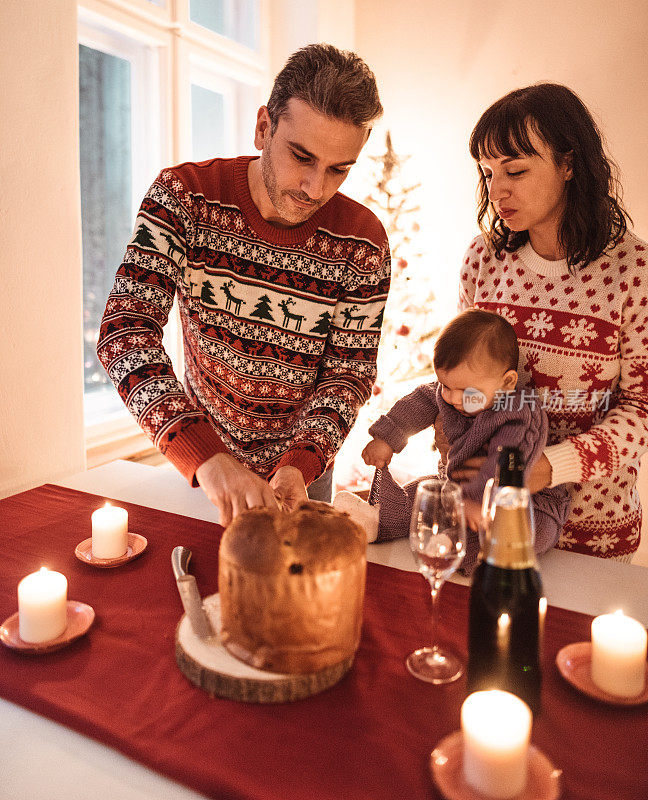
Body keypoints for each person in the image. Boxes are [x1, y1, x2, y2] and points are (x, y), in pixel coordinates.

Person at [97, 44, 391, 525]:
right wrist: (206, 459)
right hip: (201, 460)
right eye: (302, 156)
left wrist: (300, 464)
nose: (316, 188)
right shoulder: (183, 198)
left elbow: (349, 371)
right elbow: (125, 333)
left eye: (339, 169)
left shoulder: (363, 241)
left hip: (303, 475)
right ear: (263, 128)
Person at [453, 82, 648, 561]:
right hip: (490, 522)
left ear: (568, 164)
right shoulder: (484, 260)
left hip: (591, 533)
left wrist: (549, 466)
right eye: (488, 172)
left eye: (515, 170)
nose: (497, 190)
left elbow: (642, 411)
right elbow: (464, 381)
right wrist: (457, 450)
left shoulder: (633, 273)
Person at [333, 309, 570, 572]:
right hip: (457, 490)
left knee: (515, 535)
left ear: (507, 383)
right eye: (446, 386)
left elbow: (503, 464)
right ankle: (378, 520)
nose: (454, 399)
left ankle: (462, 552)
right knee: (424, 494)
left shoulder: (519, 415)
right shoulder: (454, 393)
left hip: (524, 501)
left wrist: (476, 500)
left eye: (468, 392)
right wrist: (386, 439)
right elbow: (418, 403)